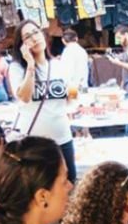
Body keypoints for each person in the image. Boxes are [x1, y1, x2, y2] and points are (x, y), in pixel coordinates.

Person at [10, 19, 78, 184]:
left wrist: (74, 94)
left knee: (69, 184)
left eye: (35, 32)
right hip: (35, 143)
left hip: (62, 137)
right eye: (27, 36)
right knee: (40, 190)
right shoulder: (17, 68)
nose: (34, 38)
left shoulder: (58, 65)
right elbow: (24, 97)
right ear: (21, 44)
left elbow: (70, 100)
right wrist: (31, 66)